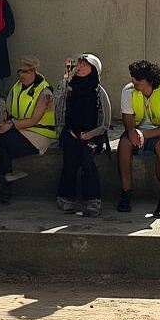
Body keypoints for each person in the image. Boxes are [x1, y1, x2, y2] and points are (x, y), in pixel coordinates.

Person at [117, 60, 160, 217]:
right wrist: (132, 132)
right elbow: (128, 122)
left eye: (138, 79)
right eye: (133, 78)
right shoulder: (128, 91)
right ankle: (126, 194)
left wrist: (143, 134)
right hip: (139, 129)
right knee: (124, 144)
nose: (134, 82)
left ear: (149, 81)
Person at [54, 54, 112, 217]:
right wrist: (67, 76)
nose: (81, 67)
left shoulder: (99, 92)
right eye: (79, 64)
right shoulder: (69, 88)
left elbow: (105, 123)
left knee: (87, 159)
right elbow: (57, 104)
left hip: (93, 134)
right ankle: (66, 197)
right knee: (70, 158)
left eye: (86, 64)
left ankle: (93, 200)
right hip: (70, 132)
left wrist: (90, 134)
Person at [0, 56, 56, 201]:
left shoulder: (44, 91)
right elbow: (9, 111)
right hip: (21, 130)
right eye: (20, 71)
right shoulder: (16, 87)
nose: (23, 75)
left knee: (3, 142)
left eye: (27, 72)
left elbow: (35, 119)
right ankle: (7, 178)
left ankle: (5, 181)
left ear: (34, 71)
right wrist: (4, 121)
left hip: (40, 134)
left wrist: (10, 125)